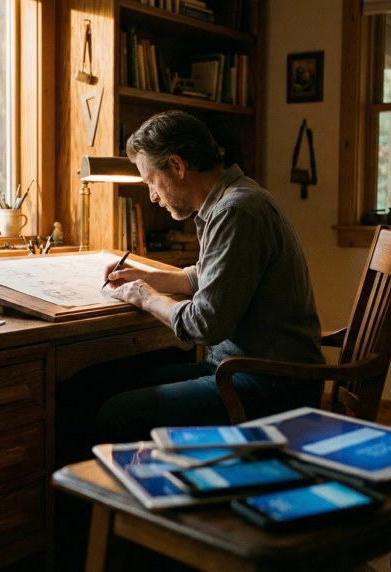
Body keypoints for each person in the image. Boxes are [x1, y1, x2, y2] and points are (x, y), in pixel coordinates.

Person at [97, 110, 324, 442]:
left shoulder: (235, 212)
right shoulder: (234, 198)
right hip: (247, 370)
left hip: (271, 384)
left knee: (114, 413)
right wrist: (149, 278)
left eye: (150, 182)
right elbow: (215, 276)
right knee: (106, 384)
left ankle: (149, 491)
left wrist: (144, 296)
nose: (152, 196)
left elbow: (204, 324)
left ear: (177, 166)